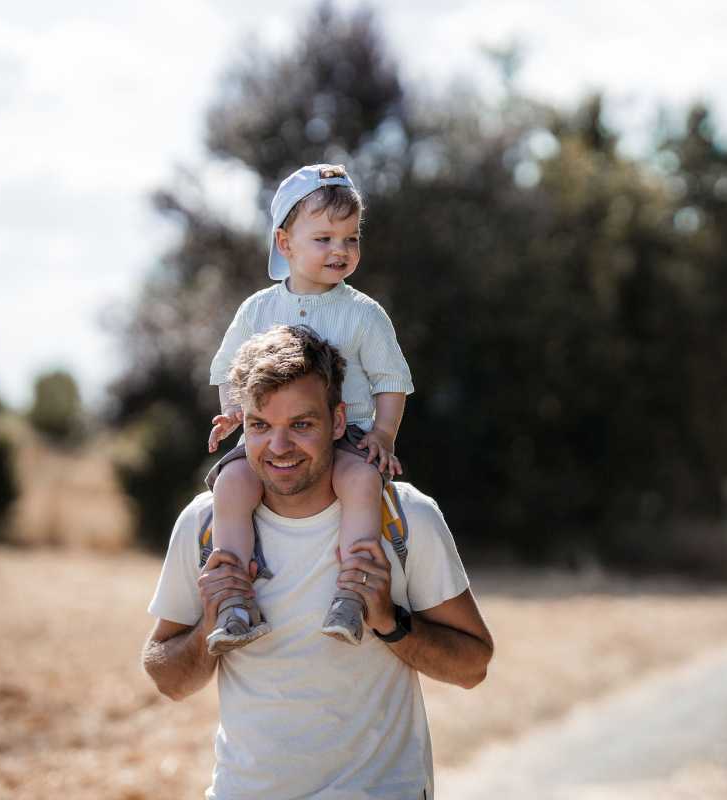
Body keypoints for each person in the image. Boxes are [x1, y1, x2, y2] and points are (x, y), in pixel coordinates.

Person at [142, 324, 493, 799]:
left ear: (339, 420)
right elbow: (166, 677)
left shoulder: (404, 517)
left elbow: (472, 666)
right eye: (260, 426)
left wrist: (389, 622)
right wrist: (208, 629)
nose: (279, 447)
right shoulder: (205, 525)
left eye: (302, 425)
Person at [205, 163, 413, 652]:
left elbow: (391, 380)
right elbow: (229, 369)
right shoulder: (257, 309)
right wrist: (236, 413)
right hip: (274, 437)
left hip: (346, 437)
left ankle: (352, 592)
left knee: (361, 481)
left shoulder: (363, 313)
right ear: (285, 244)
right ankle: (234, 600)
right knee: (233, 484)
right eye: (324, 239)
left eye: (350, 239)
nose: (340, 251)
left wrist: (382, 435)